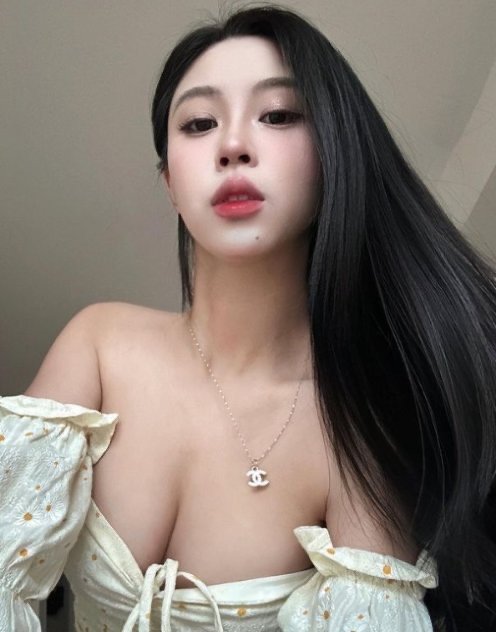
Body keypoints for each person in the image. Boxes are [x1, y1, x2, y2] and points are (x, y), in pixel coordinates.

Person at [0, 4, 495, 631]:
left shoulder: (357, 427)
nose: (233, 146)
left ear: (332, 157)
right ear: (170, 183)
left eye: (278, 115)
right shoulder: (100, 345)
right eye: (199, 123)